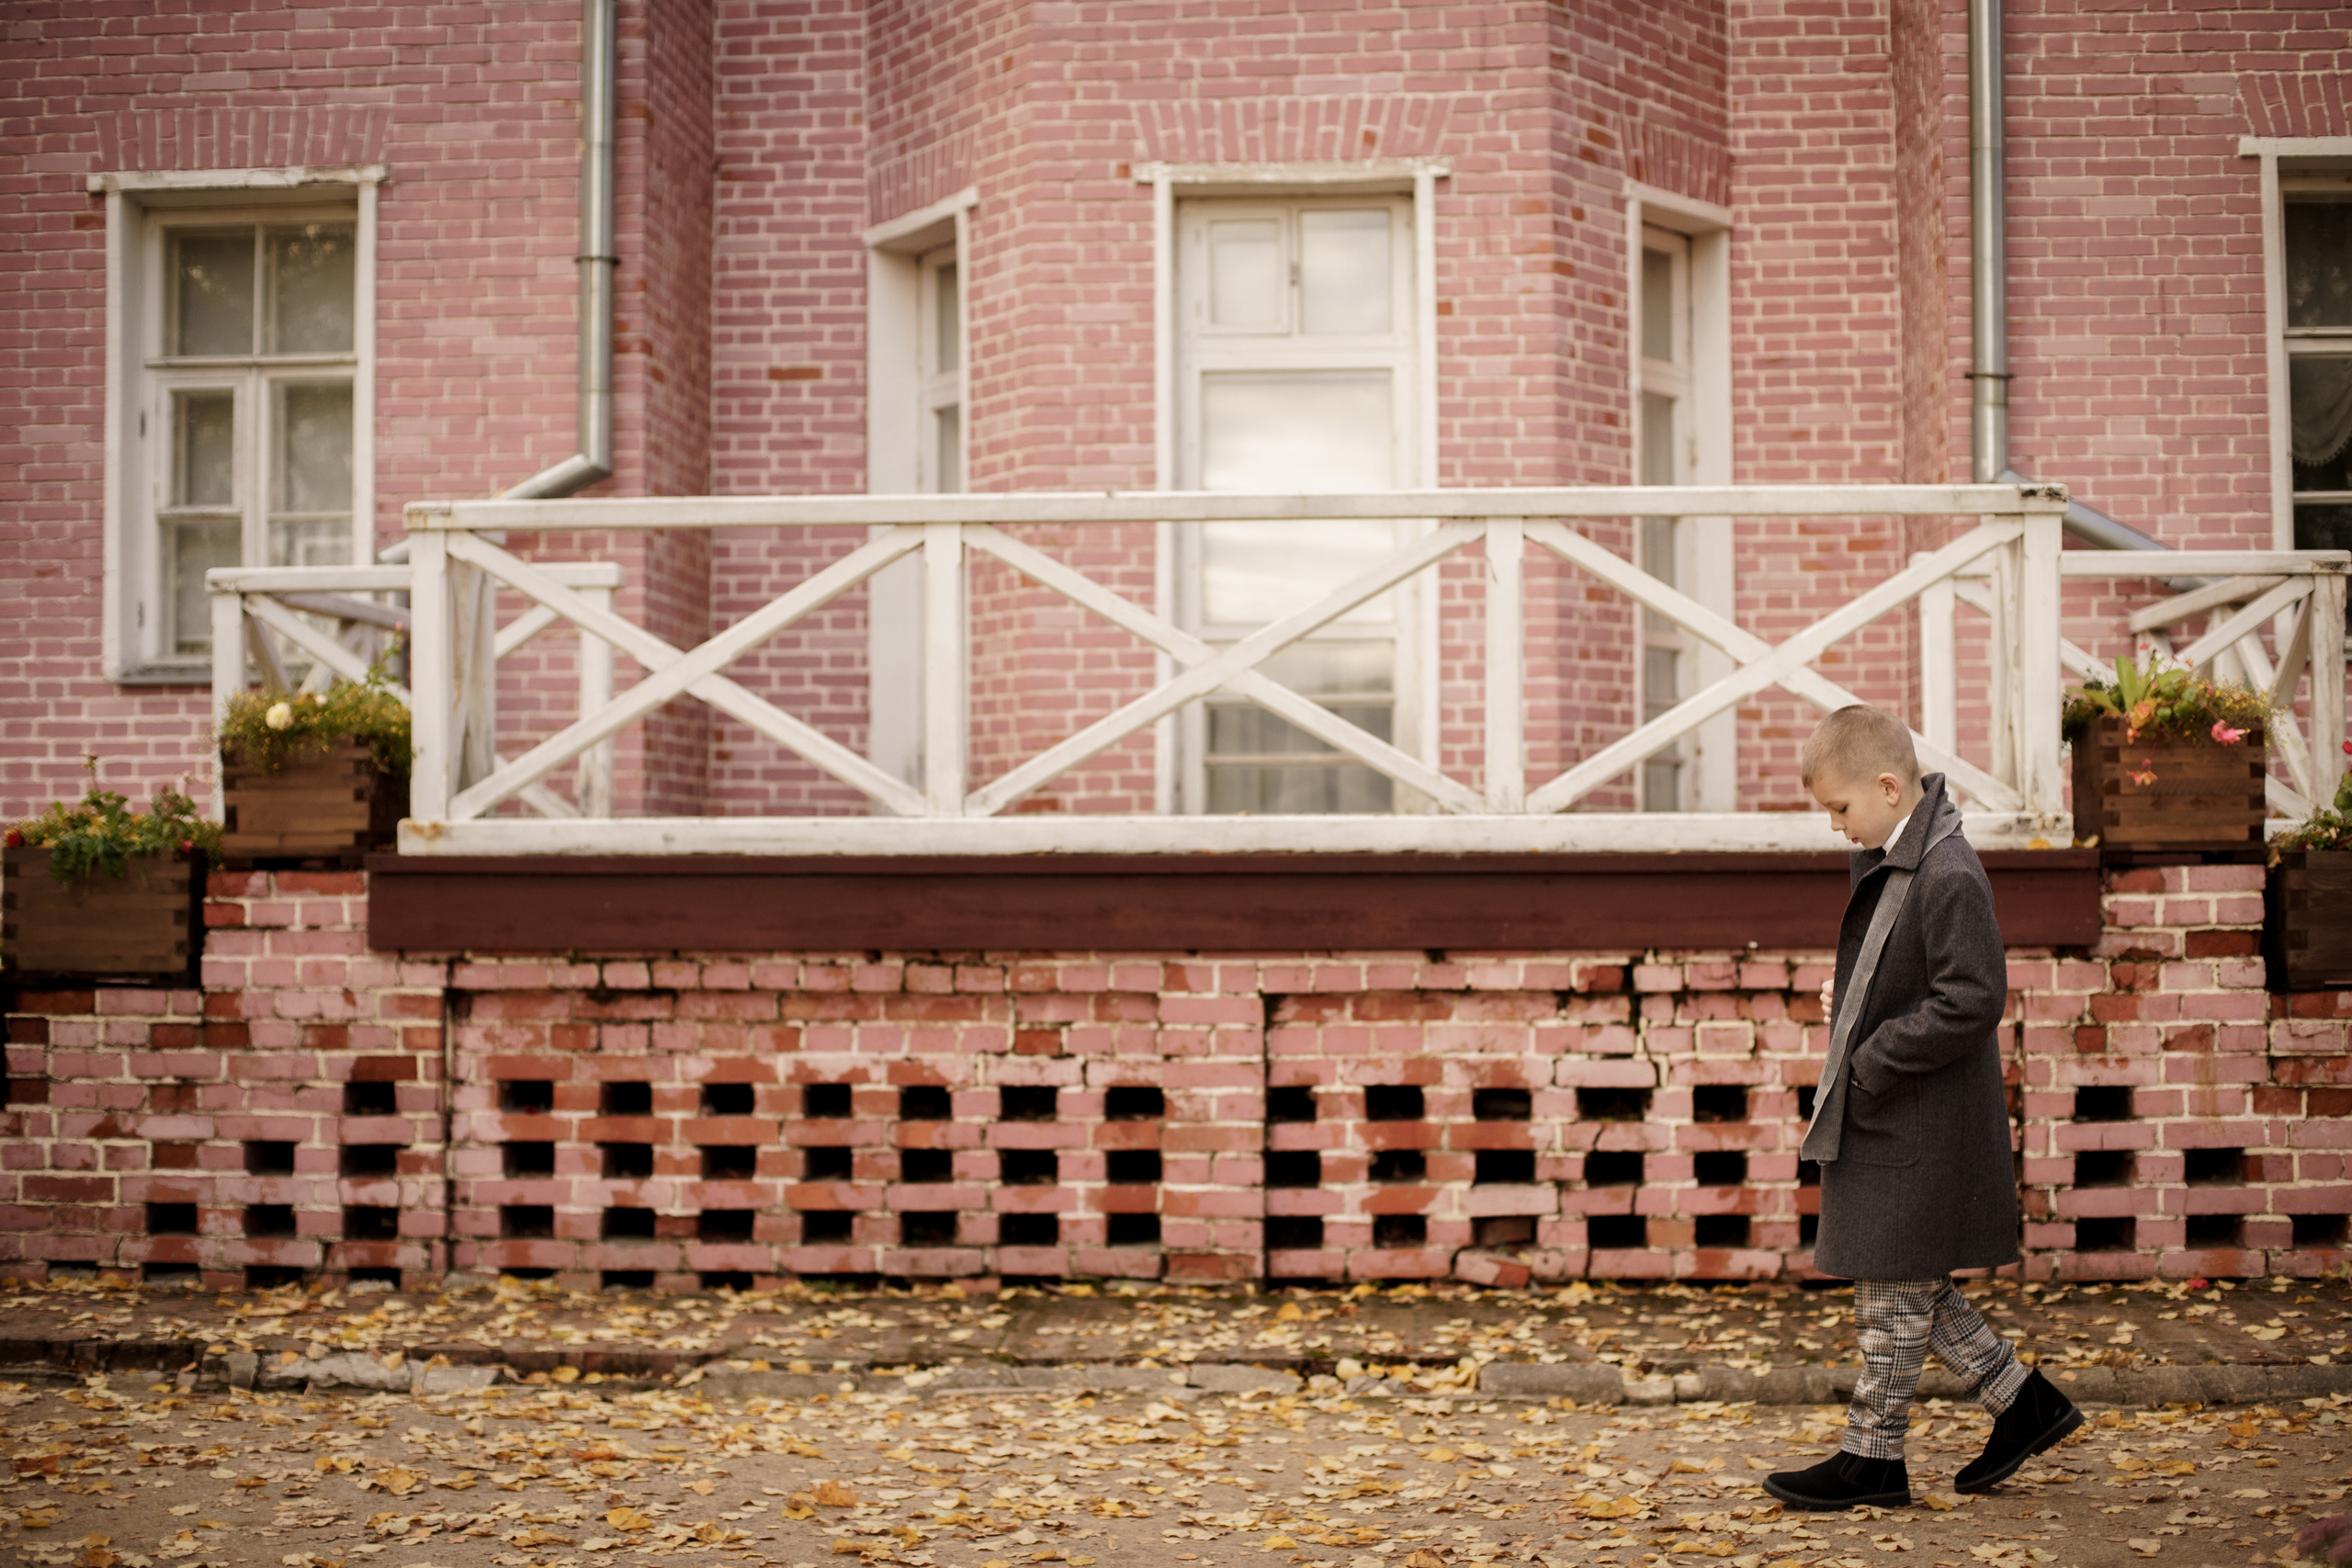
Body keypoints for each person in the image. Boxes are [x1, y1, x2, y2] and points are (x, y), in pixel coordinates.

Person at [1762, 705, 2081, 1511]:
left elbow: (1973, 996)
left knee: (1892, 1284)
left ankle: (1873, 1456)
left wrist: (1870, 1057)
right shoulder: (1890, 854)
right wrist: (1855, 999)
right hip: (1889, 1108)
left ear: (1888, 784)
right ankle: (2021, 1402)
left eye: (1839, 808)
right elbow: (1900, 971)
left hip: (1916, 1114)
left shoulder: (1946, 870)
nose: (1835, 826)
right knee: (1904, 1279)